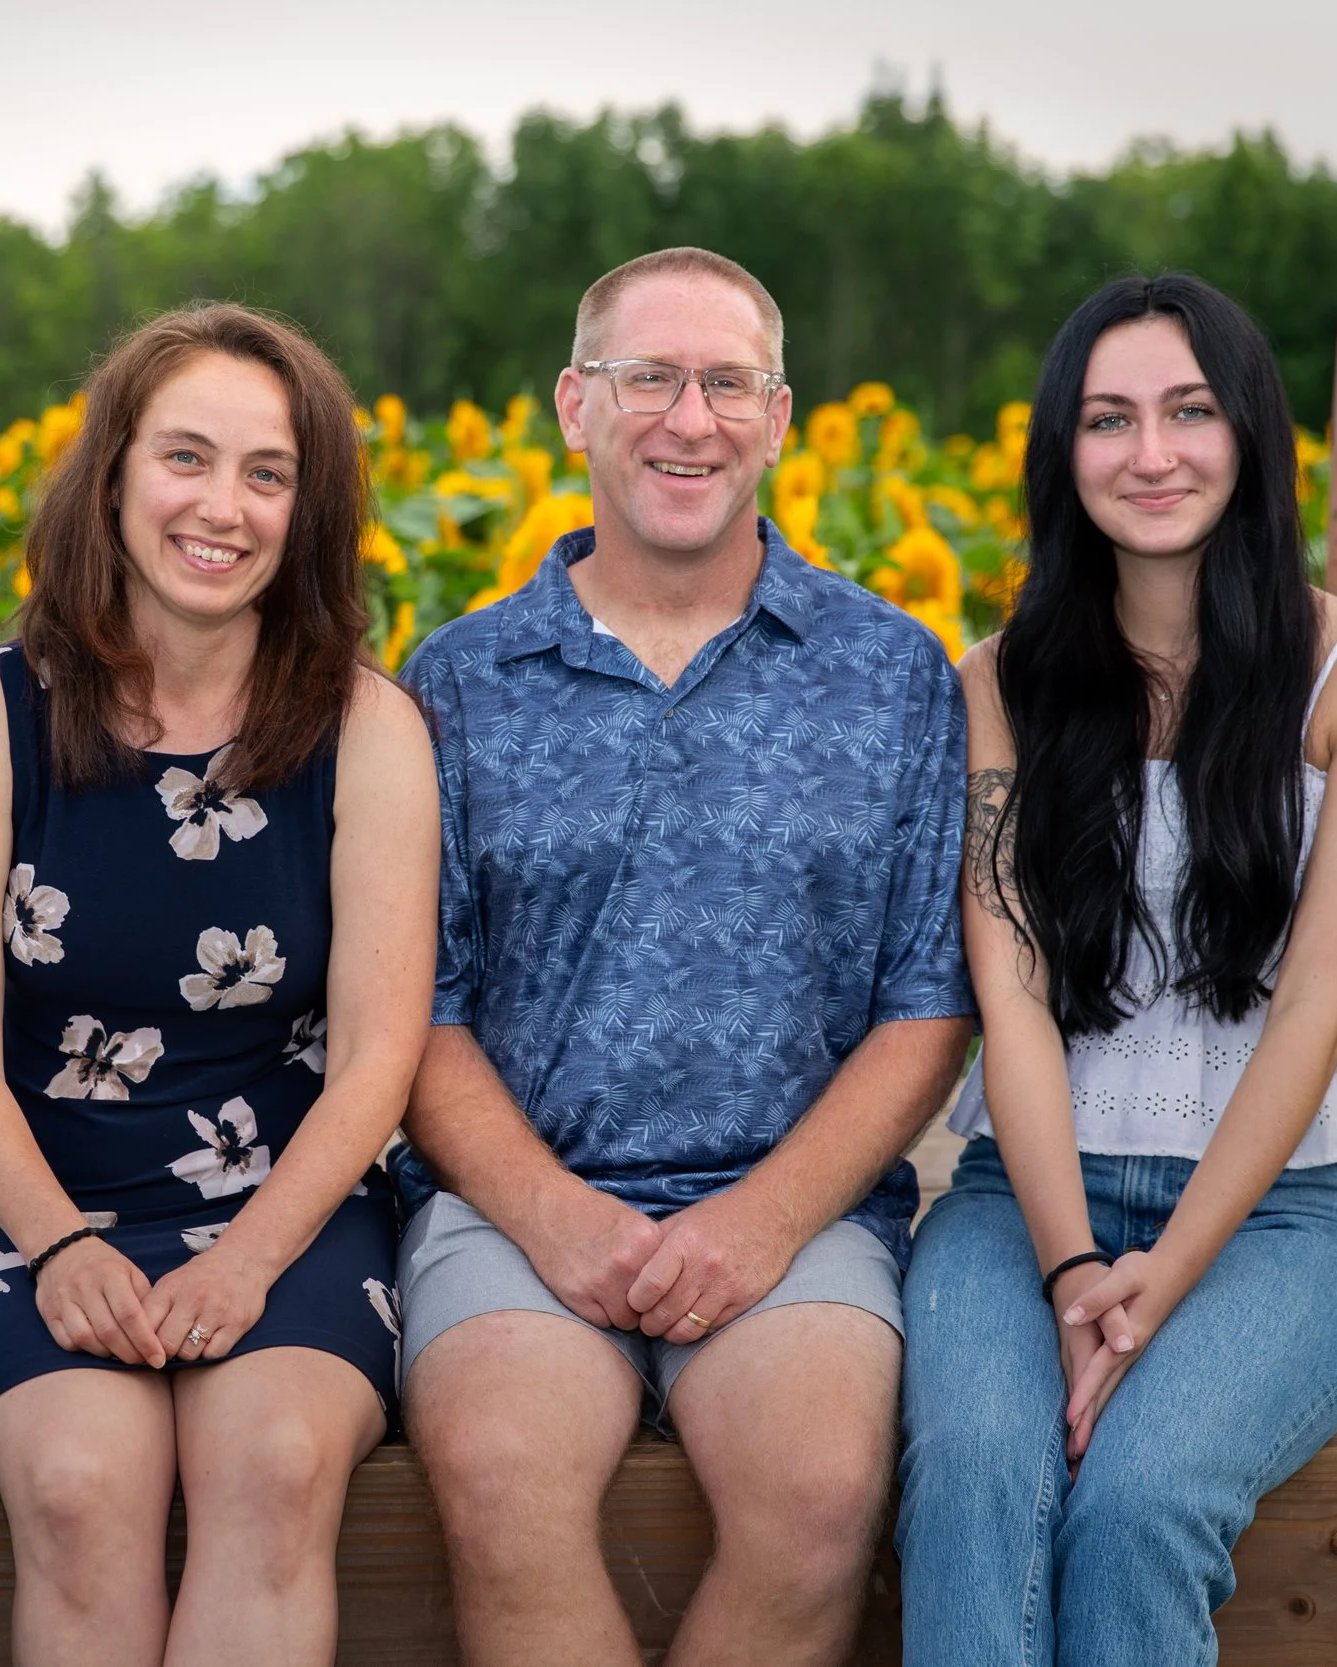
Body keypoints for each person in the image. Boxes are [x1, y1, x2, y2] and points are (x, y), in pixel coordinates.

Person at [394, 247, 978, 1667]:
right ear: (573, 407)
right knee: (501, 1477)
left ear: (782, 421)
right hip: (515, 1202)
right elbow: (418, 1011)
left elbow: (924, 1005)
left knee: (821, 1490)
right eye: (648, 377)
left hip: (798, 1204)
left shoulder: (894, 671)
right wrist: (557, 1215)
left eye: (728, 383)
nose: (689, 418)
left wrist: (764, 1220)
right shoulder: (457, 681)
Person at [895, 273, 1337, 1664]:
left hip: (1278, 1221)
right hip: (1020, 1207)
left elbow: (1313, 1007)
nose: (1152, 453)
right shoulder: (995, 682)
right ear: (1061, 457)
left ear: (1251, 431)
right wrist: (1079, 1264)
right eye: (1109, 419)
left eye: (1190, 411)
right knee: (971, 1480)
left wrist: (1161, 1276)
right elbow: (1010, 999)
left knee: (1141, 1500)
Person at [0, 303, 437, 1666]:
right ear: (117, 474)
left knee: (272, 1472)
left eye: (270, 473)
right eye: (186, 458)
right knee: (82, 1488)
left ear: (308, 510)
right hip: (37, 1200)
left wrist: (250, 1253)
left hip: (292, 1202)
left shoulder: (366, 727)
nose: (224, 506)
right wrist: (62, 1243)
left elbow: (383, 1048)